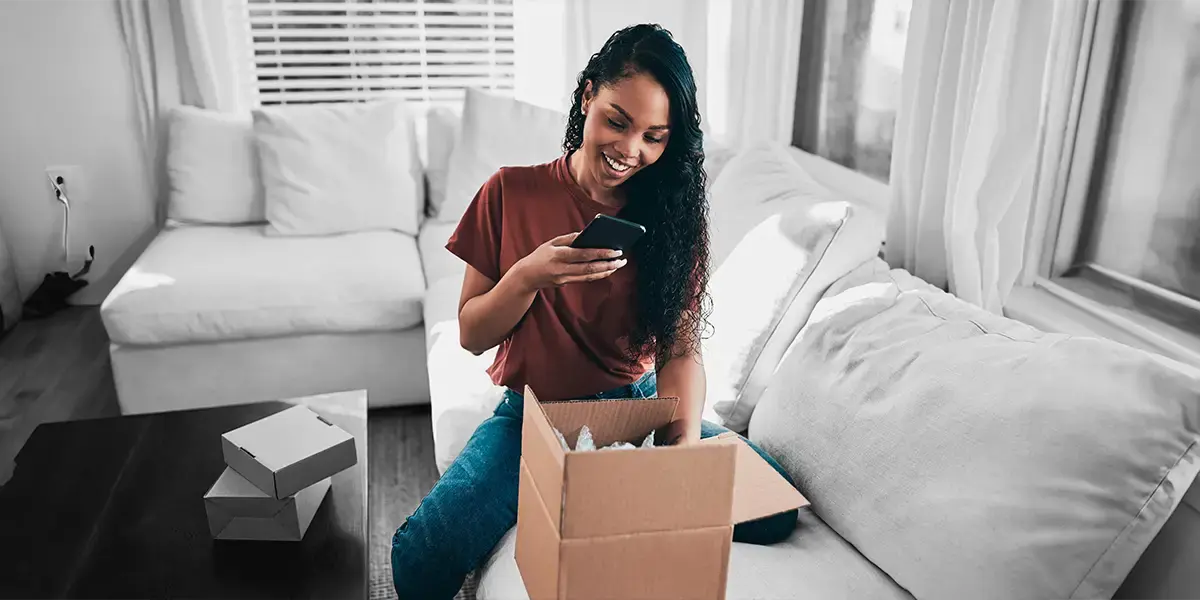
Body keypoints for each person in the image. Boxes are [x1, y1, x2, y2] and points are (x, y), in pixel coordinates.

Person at [392, 24, 799, 599]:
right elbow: (471, 334)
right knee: (418, 558)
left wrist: (679, 447)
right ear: (587, 96)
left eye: (655, 136)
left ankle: (588, 498)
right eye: (617, 121)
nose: (631, 151)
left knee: (777, 509)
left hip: (636, 413)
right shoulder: (508, 193)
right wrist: (529, 275)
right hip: (534, 420)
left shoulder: (672, 216)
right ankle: (571, 493)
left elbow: (681, 350)